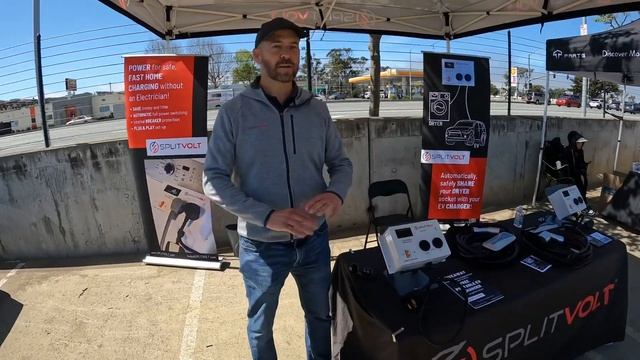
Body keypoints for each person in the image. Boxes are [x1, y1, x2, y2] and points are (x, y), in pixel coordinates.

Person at [203, 17, 353, 360]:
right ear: (258, 55)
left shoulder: (317, 109)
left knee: (320, 316)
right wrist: (267, 217)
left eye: (293, 47)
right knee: (260, 325)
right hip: (260, 247)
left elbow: (341, 164)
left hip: (314, 241)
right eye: (277, 47)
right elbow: (213, 178)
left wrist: (335, 193)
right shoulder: (234, 112)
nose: (287, 55)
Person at [565, 130, 595, 215]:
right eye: (578, 143)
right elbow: (569, 167)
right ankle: (581, 206)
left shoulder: (580, 151)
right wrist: (579, 171)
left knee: (584, 182)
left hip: (579, 173)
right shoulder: (568, 151)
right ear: (573, 142)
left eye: (581, 143)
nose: (580, 145)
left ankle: (583, 203)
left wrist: (585, 165)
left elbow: (581, 163)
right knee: (578, 185)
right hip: (570, 174)